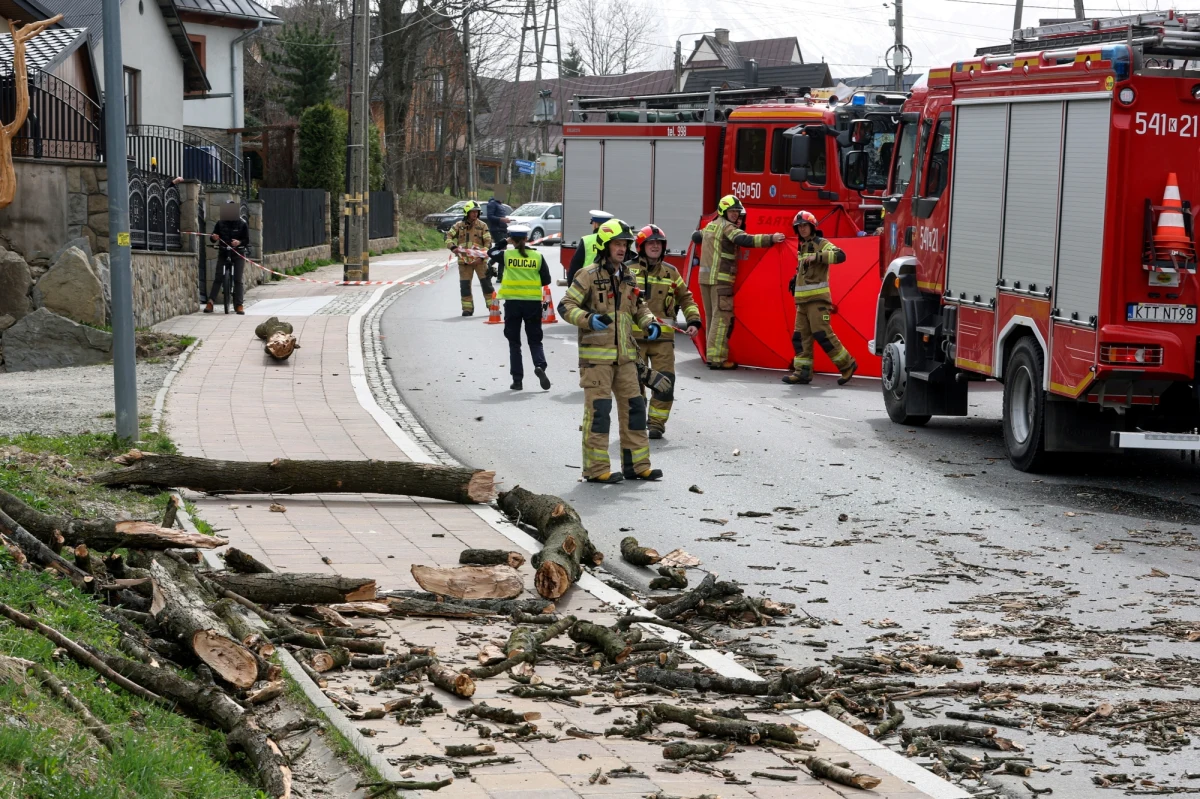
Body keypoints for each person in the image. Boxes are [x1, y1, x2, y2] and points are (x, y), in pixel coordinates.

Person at [559, 219, 663, 484]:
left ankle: (638, 466)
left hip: (626, 358)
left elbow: (639, 306)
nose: (622, 249)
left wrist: (649, 322)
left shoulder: (628, 276)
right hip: (596, 361)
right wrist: (587, 319)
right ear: (605, 246)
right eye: (617, 244)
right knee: (599, 414)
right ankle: (596, 470)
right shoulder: (587, 275)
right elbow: (565, 306)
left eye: (625, 244)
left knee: (635, 409)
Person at [629, 224, 701, 439]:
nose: (655, 246)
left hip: (663, 339)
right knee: (633, 383)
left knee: (665, 381)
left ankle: (656, 424)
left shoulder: (671, 272)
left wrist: (693, 320)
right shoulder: (626, 270)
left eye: (658, 243)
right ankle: (636, 421)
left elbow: (686, 298)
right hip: (633, 339)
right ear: (641, 246)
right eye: (650, 243)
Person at [697, 195, 785, 368]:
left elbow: (696, 236)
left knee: (711, 317)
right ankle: (717, 359)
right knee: (721, 319)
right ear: (723, 211)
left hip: (705, 280)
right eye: (732, 211)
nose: (735, 215)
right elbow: (745, 240)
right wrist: (771, 238)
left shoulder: (710, 226)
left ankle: (711, 355)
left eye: (737, 212)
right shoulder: (727, 227)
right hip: (721, 280)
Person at [783, 210, 857, 385]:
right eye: (799, 226)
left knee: (822, 334)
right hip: (802, 303)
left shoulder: (820, 243)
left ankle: (847, 364)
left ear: (812, 226)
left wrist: (817, 256)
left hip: (817, 302)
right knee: (801, 337)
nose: (802, 229)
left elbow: (840, 255)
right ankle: (802, 372)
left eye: (805, 225)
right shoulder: (802, 246)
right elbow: (806, 271)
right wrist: (796, 278)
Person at [497, 225, 552, 391]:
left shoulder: (507, 255)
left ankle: (517, 381)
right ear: (527, 239)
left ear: (511, 239)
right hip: (532, 303)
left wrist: (503, 242)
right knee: (535, 340)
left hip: (512, 304)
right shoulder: (537, 256)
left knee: (514, 343)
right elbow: (546, 280)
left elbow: (490, 253)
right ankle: (540, 365)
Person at [445, 201, 494, 316]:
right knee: (465, 286)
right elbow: (448, 237)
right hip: (464, 262)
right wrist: (453, 247)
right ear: (467, 213)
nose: (475, 214)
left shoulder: (483, 226)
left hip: (480, 262)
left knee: (486, 285)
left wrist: (481, 257)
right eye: (472, 212)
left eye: (477, 212)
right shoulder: (458, 226)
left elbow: (488, 243)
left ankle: (493, 307)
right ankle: (467, 309)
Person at [204, 201, 249, 315]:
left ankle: (239, 305)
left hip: (238, 253)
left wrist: (239, 242)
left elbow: (247, 240)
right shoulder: (220, 223)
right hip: (224, 252)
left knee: (238, 279)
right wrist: (214, 237)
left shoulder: (242, 223)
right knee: (218, 277)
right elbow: (213, 237)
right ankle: (210, 302)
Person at [565, 209, 612, 285]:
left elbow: (575, 267)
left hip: (588, 285)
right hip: (610, 285)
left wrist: (570, 286)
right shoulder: (615, 241)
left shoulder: (586, 240)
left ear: (595, 224)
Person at [485, 195, 512, 278]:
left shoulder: (500, 205)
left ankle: (492, 268)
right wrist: (502, 219)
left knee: (502, 252)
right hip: (497, 230)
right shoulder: (492, 203)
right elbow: (490, 216)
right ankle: (499, 275)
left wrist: (506, 221)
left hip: (503, 230)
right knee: (502, 252)